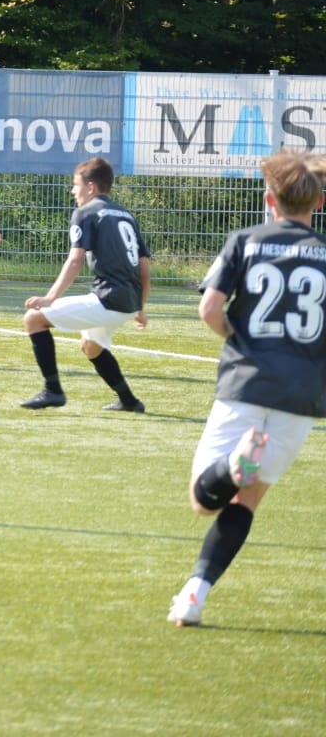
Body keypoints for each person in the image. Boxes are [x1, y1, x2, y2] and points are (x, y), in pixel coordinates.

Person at [167, 151, 326, 627]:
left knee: (203, 500)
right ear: (318, 202)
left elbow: (210, 310)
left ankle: (233, 465)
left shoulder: (246, 240)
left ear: (269, 199)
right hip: (302, 395)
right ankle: (194, 595)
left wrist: (240, 340)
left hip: (246, 382)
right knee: (248, 499)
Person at [20, 156, 151, 410]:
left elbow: (75, 260)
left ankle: (52, 391)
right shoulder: (126, 215)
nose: (73, 190)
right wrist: (140, 307)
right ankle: (130, 401)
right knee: (91, 346)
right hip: (128, 301)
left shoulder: (85, 212)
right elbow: (144, 267)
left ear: (90, 187)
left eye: (75, 184)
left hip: (108, 299)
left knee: (33, 319)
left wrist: (49, 298)